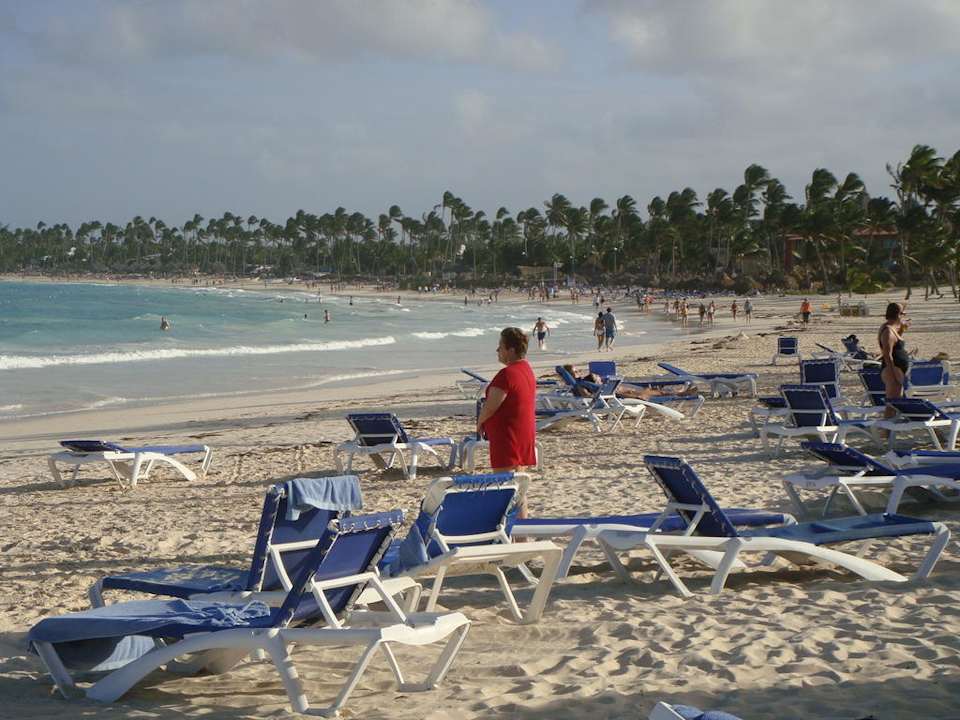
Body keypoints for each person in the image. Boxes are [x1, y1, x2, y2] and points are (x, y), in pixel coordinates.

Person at [477, 328, 537, 518]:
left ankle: (513, 535)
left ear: (510, 350)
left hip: (507, 437)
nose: (497, 350)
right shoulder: (526, 369)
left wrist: (479, 423)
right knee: (519, 491)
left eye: (500, 347)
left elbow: (491, 406)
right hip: (522, 434)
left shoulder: (507, 374)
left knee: (505, 488)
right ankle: (521, 536)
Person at [878, 302, 910, 416]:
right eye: (903, 314)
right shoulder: (888, 331)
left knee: (896, 404)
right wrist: (894, 374)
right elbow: (887, 354)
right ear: (898, 315)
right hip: (892, 369)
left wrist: (901, 329)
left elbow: (897, 344)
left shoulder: (892, 328)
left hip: (895, 369)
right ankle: (885, 433)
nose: (903, 316)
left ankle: (888, 432)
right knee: (892, 405)